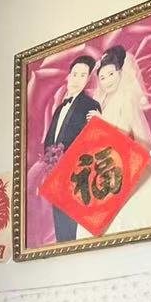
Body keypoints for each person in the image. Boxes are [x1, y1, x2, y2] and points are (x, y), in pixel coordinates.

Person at [91, 44, 151, 235]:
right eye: (102, 77)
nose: (107, 81)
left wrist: (101, 122)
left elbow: (130, 131)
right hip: (106, 163)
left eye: (111, 74)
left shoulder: (126, 98)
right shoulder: (101, 103)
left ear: (120, 73)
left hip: (124, 160)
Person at [31, 55, 102, 243]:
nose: (77, 79)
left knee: (73, 229)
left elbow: (95, 142)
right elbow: (50, 140)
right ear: (69, 76)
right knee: (61, 228)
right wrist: (49, 164)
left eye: (83, 75)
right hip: (56, 176)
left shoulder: (91, 105)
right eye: (75, 74)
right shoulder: (60, 108)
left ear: (87, 80)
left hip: (77, 176)